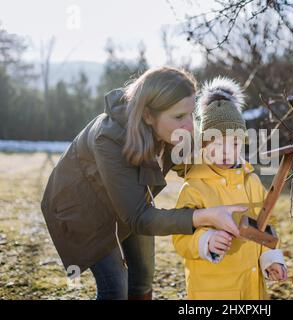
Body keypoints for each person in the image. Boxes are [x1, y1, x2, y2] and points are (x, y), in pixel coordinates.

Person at [41, 67, 247, 300]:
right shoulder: (108, 139)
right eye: (179, 116)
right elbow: (139, 218)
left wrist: (236, 165)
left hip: (132, 204)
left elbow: (193, 165)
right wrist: (205, 216)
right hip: (84, 210)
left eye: (191, 114)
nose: (190, 126)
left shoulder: (172, 131)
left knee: (143, 276)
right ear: (148, 115)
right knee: (115, 286)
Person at [172, 77, 287, 300]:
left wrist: (271, 258)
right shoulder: (195, 186)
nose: (227, 151)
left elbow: (265, 225)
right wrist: (206, 240)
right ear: (205, 144)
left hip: (252, 289)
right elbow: (180, 237)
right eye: (218, 143)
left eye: (234, 143)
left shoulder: (251, 182)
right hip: (213, 292)